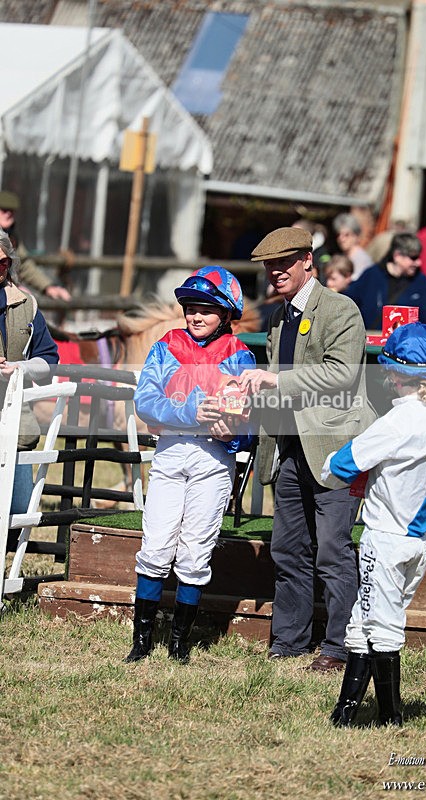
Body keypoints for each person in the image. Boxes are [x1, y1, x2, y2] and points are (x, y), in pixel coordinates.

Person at [239, 227, 376, 671]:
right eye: (269, 266)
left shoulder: (341, 309)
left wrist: (277, 380)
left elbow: (342, 374)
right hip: (290, 448)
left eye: (284, 264)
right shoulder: (279, 317)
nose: (275, 273)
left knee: (333, 550)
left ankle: (341, 646)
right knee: (287, 547)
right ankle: (289, 640)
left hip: (335, 447)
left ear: (307, 262)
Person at [323, 323, 426, 727]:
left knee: (379, 627)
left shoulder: (396, 421)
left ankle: (388, 717)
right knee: (369, 620)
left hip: (385, 537)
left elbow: (341, 465)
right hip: (421, 539)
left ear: (395, 373)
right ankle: (344, 712)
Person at [125, 266, 256, 664]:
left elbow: (247, 425)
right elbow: (145, 401)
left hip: (213, 463)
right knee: (156, 546)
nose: (196, 316)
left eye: (207, 309)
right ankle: (142, 642)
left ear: (227, 313)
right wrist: (191, 413)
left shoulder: (240, 355)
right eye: (191, 308)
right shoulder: (166, 345)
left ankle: (179, 643)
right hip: (169, 455)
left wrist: (229, 432)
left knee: (195, 553)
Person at [0, 229, 59, 514]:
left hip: (15, 427)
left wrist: (19, 369)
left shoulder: (27, 305)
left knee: (19, 509)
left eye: (3, 262)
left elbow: (49, 361)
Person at [345, 232, 426, 331]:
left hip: (405, 344)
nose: (418, 263)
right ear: (397, 255)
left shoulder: (420, 281)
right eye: (413, 258)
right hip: (372, 342)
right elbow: (349, 303)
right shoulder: (371, 275)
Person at [0, 190, 71, 301]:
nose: (8, 214)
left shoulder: (12, 237)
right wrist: (12, 287)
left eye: (12, 211)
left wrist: (48, 286)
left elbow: (23, 264)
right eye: (4, 210)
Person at [332, 213, 372, 281]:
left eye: (346, 235)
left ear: (356, 236)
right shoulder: (343, 256)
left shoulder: (362, 259)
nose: (341, 239)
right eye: (339, 235)